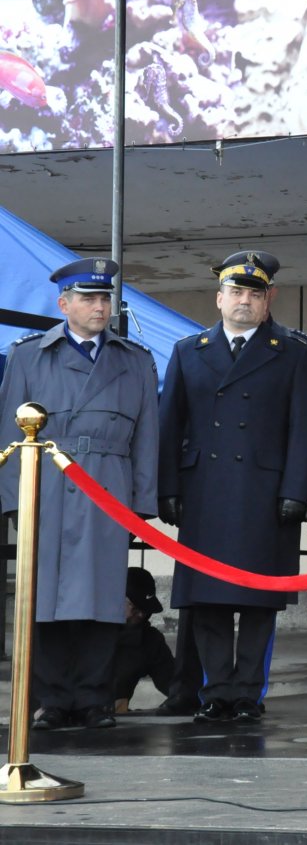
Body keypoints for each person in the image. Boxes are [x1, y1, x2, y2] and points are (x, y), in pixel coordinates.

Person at [157, 250, 307, 723]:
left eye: (254, 293)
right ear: (219, 298)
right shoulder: (188, 351)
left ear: (268, 301)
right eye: (235, 292)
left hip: (264, 495)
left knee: (258, 601)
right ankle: (215, 693)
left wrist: (297, 491)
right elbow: (170, 425)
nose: (244, 301)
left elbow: (306, 428)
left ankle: (248, 693)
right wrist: (167, 488)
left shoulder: (293, 352)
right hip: (204, 492)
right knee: (206, 601)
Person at [0, 258, 159, 730]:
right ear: (63, 304)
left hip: (108, 489)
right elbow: (8, 432)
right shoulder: (29, 355)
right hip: (47, 486)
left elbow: (147, 437)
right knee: (44, 599)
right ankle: (51, 699)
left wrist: (141, 503)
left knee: (103, 598)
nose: (99, 307)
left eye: (104, 298)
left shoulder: (134, 359)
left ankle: (94, 698)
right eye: (88, 298)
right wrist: (15, 498)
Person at [112, 567, 175, 711]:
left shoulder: (149, 640)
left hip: (116, 718)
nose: (141, 615)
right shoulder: (89, 633)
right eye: (135, 608)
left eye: (146, 610)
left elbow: (171, 681)